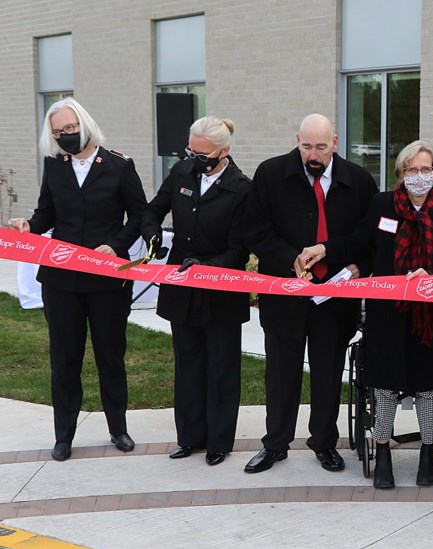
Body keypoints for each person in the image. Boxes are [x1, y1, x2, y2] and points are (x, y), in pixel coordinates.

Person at [303, 141, 433, 488]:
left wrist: (431, 274)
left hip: (429, 316)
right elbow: (358, 243)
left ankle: (427, 453)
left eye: (425, 169)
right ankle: (383, 452)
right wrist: (324, 249)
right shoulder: (382, 206)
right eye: (411, 170)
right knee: (384, 388)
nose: (418, 176)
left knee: (427, 388)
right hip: (386, 314)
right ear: (401, 173)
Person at [9, 98, 146, 461]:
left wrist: (116, 247)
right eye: (58, 133)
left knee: (110, 356)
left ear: (84, 124)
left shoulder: (119, 165)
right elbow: (45, 213)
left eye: (70, 129)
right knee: (65, 359)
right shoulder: (54, 167)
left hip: (107, 280)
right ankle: (64, 435)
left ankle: (118, 428)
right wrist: (30, 227)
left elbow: (139, 216)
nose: (65, 136)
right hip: (61, 281)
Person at [243, 114, 378, 473]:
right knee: (281, 374)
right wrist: (291, 259)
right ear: (296, 141)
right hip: (284, 294)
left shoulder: (360, 181)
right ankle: (275, 444)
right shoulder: (271, 174)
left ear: (335, 142)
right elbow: (255, 230)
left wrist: (353, 263)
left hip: (335, 299)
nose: (313, 155)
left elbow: (369, 237)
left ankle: (323, 443)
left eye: (321, 146)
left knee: (327, 372)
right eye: (306, 146)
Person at [143, 116, 252, 466]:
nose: (198, 160)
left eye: (205, 155)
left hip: (220, 289)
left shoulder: (241, 188)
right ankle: (189, 437)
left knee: (221, 367)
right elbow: (154, 210)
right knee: (188, 364)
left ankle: (219, 441)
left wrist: (208, 268)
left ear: (224, 151)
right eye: (193, 151)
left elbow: (239, 249)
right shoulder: (181, 172)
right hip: (181, 286)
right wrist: (153, 235)